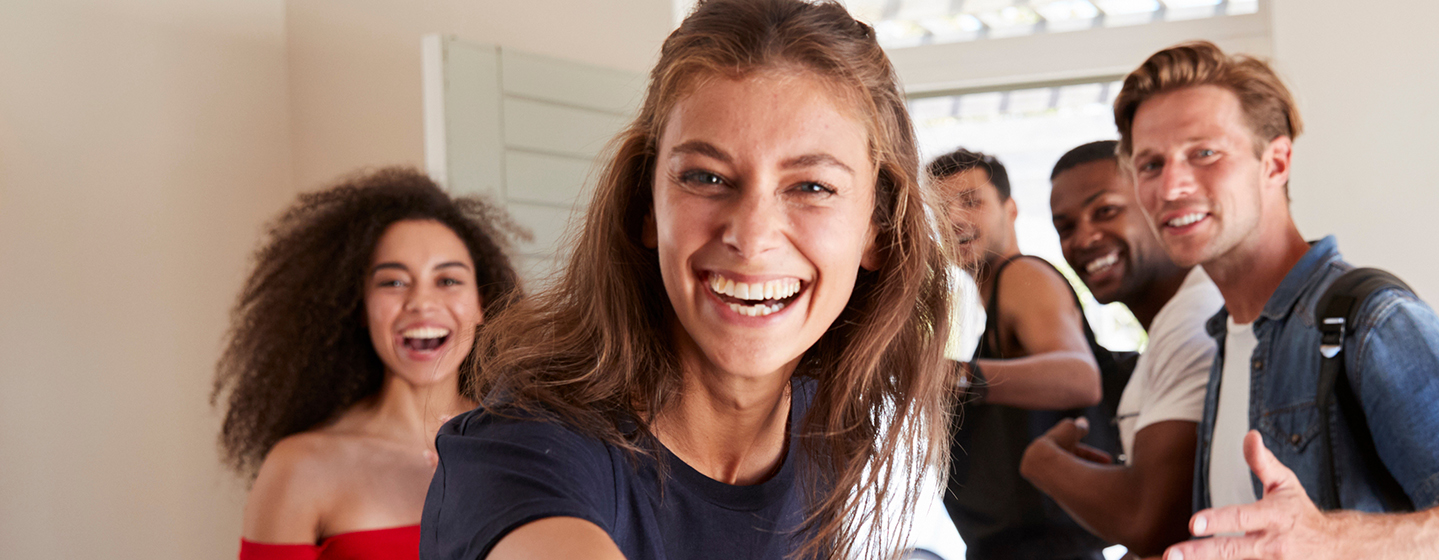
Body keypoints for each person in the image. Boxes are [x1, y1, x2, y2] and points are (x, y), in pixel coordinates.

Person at [417, 1, 959, 559]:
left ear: (877, 227)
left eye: (812, 187)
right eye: (706, 177)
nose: (751, 237)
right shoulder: (521, 450)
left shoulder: (856, 434)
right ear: (646, 205)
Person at [1109, 42, 1439, 560]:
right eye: (1150, 164)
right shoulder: (1229, 337)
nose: (1171, 186)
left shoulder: (1371, 321)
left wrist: (1329, 539)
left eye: (1204, 153)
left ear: (1276, 162)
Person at [213, 167, 525, 560]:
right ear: (361, 307)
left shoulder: (522, 445)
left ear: (483, 303)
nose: (421, 303)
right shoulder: (299, 467)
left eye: (448, 280)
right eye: (393, 282)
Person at [1020, 140, 1225, 557]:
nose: (1084, 238)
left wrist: (1043, 462)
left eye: (1106, 211)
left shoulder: (1196, 319)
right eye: (1066, 227)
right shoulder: (1171, 326)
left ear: (1157, 208)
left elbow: (1150, 523)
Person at [932, 148, 1109, 560]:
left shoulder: (1023, 276)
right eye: (940, 208)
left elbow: (1080, 377)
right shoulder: (989, 312)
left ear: (1009, 209)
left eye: (971, 202)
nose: (954, 218)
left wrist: (950, 375)